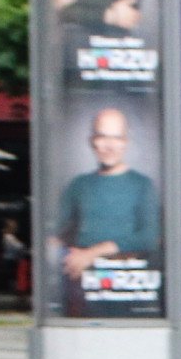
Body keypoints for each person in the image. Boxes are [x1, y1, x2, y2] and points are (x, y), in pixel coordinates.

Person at [56, 108, 160, 316]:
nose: (109, 145)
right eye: (102, 136)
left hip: (130, 287)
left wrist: (94, 252)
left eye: (116, 138)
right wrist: (65, 255)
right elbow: (52, 230)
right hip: (83, 288)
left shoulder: (143, 185)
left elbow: (149, 237)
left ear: (126, 141)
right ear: (92, 140)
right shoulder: (79, 185)